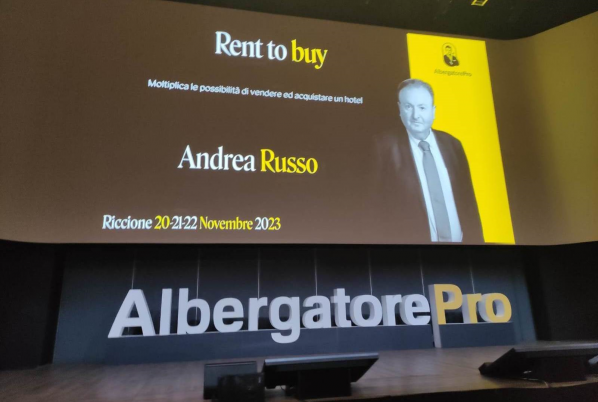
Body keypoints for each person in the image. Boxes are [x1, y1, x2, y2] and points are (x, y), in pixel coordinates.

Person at [372, 79, 483, 243]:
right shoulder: (383, 148)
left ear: (433, 111)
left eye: (422, 107)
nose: (415, 115)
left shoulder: (453, 144)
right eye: (408, 107)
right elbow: (374, 208)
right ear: (400, 109)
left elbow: (468, 202)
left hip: (461, 247)